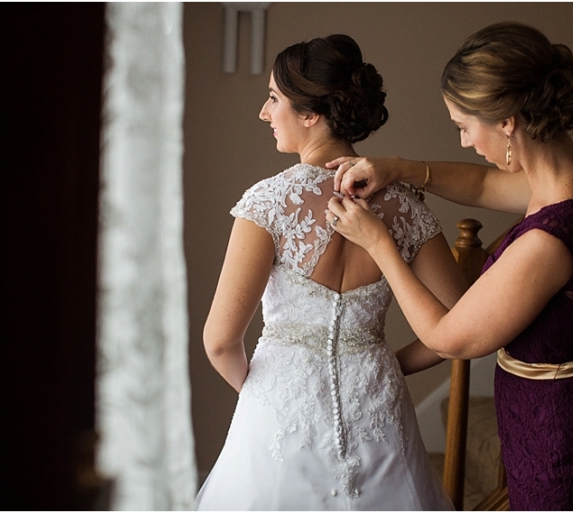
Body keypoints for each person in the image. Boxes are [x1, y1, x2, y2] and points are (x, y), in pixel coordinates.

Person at [326, 22, 573, 511]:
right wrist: (398, 167)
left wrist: (379, 243)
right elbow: (486, 187)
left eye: (464, 127)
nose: (464, 141)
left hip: (569, 449)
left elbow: (450, 337)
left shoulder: (550, 242)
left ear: (507, 120)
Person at [194, 34, 465, 510]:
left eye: (274, 98)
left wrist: (268, 396)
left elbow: (219, 341)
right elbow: (462, 323)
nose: (264, 112)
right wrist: (386, 363)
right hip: (378, 407)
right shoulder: (405, 205)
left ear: (311, 113)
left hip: (279, 416)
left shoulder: (268, 203)